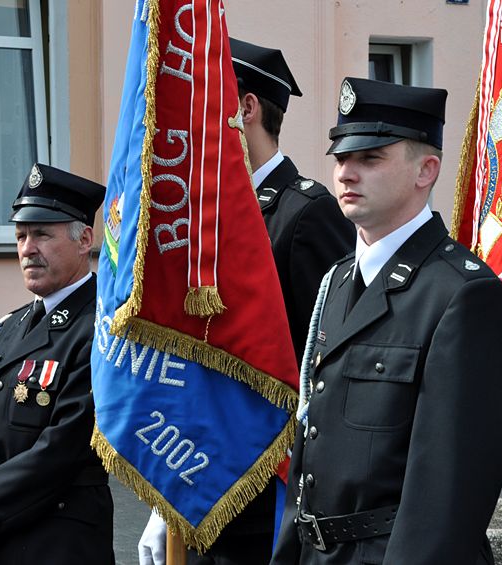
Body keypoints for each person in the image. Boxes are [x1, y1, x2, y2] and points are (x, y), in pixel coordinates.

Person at [270, 77, 502, 564]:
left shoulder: (464, 295)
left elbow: (447, 494)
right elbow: (309, 446)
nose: (345, 174)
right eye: (341, 158)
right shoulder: (337, 281)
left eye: (370, 158)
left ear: (426, 170)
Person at [138, 38, 353, 565]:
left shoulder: (303, 213)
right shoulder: (207, 221)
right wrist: (164, 499)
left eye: (206, 105)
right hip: (197, 475)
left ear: (246, 108)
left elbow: (327, 362)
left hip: (268, 489)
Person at [0, 163, 115, 564]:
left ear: (84, 240)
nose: (28, 248)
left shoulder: (102, 327)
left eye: (42, 234)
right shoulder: (9, 327)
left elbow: (63, 448)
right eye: (20, 235)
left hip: (54, 540)